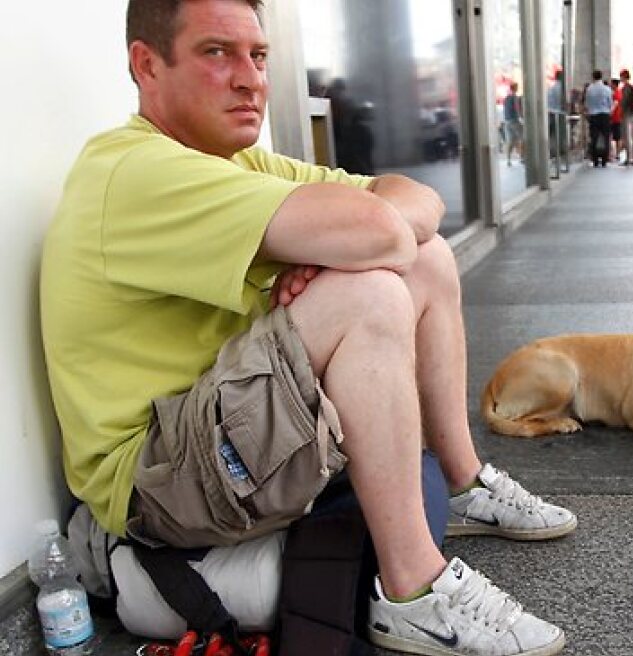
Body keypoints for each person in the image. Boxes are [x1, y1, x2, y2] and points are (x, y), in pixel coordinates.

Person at [39, 2, 576, 656]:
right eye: (217, 53)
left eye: (259, 56)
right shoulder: (132, 171)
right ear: (146, 65)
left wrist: (325, 250)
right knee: (369, 289)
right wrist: (334, 252)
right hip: (157, 482)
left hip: (220, 427)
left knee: (425, 260)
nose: (250, 79)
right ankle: (415, 594)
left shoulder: (239, 165)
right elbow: (378, 228)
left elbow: (416, 205)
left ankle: (464, 485)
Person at [584, 69, 614, 167]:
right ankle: (605, 159)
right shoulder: (607, 89)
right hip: (605, 115)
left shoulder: (589, 89)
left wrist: (589, 111)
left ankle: (595, 160)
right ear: (601, 77)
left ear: (593, 77)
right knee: (606, 137)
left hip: (593, 115)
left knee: (594, 137)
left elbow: (587, 103)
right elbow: (610, 103)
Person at [619, 69, 633, 166]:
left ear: (623, 77)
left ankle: (629, 158)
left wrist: (622, 112)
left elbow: (624, 102)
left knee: (628, 137)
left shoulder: (626, 88)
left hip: (628, 114)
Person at [503, 82, 524, 166]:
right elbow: (517, 108)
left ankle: (508, 159)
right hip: (514, 121)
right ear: (515, 88)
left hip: (507, 121)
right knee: (522, 138)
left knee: (510, 140)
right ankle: (522, 157)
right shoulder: (514, 97)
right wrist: (521, 117)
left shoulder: (507, 97)